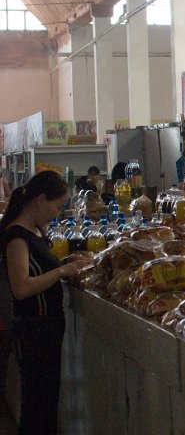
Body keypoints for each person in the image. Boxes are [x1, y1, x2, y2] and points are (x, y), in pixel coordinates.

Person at [0, 171, 81, 434]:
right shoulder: (17, 237)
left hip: (46, 329)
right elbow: (21, 287)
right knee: (37, 407)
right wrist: (59, 272)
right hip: (33, 331)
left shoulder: (34, 231)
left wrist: (66, 264)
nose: (58, 213)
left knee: (46, 405)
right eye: (57, 206)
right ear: (40, 200)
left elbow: (38, 270)